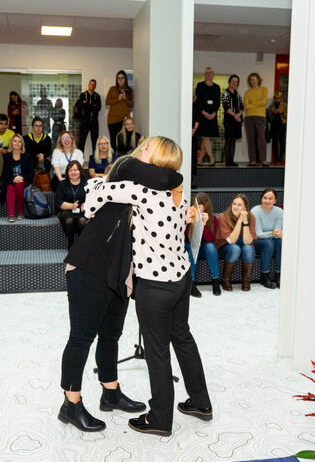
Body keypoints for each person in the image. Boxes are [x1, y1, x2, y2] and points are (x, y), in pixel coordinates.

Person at [84, 136, 211, 437]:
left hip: (155, 285)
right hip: (181, 278)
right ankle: (200, 402)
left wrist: (98, 182)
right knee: (183, 339)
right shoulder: (179, 189)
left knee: (157, 352)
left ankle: (160, 419)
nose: (141, 149)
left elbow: (91, 202)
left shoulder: (141, 191)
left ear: (157, 159)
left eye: (147, 147)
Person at [59, 153, 180, 433]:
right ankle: (70, 405)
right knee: (81, 338)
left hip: (119, 273)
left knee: (111, 335)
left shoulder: (142, 192)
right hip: (90, 267)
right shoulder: (126, 166)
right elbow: (169, 176)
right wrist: (163, 167)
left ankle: (110, 393)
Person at [215, 194, 256, 291]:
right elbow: (232, 241)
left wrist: (245, 221)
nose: (236, 207)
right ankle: (226, 279)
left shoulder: (251, 217)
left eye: (239, 205)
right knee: (235, 249)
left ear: (245, 207)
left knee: (249, 249)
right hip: (225, 246)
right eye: (234, 204)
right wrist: (239, 221)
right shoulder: (223, 217)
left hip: (242, 244)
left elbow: (247, 242)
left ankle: (246, 280)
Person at [186, 192, 221, 297]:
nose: (196, 209)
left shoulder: (213, 218)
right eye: (195, 207)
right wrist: (193, 223)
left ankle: (215, 280)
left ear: (205, 207)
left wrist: (204, 225)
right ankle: (191, 282)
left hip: (204, 245)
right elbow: (189, 239)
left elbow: (209, 240)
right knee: (193, 247)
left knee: (211, 247)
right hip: (190, 245)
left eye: (199, 207)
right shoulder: (188, 217)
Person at [251, 189, 283, 289]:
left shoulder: (279, 212)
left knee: (280, 241)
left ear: (275, 201)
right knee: (269, 243)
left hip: (272, 239)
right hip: (257, 241)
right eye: (265, 198)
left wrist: (278, 233)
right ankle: (264, 276)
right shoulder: (255, 211)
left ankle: (279, 274)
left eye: (270, 198)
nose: (267, 201)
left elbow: (277, 231)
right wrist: (273, 233)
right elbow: (258, 234)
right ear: (261, 199)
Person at [55, 160, 88, 249]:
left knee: (82, 221)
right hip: (66, 210)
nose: (73, 172)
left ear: (80, 171)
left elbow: (92, 198)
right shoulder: (62, 184)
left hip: (82, 210)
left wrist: (85, 205)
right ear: (67, 172)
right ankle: (71, 241)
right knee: (69, 220)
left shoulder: (87, 183)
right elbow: (59, 202)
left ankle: (81, 242)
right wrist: (72, 206)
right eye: (71, 170)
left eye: (76, 170)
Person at [2, 134, 34, 223]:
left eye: (19, 142)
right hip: (11, 181)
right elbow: (5, 174)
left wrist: (22, 178)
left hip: (24, 181)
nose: (17, 143)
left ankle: (20, 212)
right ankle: (11, 215)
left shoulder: (27, 156)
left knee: (19, 184)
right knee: (10, 188)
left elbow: (31, 173)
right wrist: (13, 180)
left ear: (22, 144)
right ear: (11, 143)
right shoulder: (7, 157)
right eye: (15, 141)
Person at [195, 67, 221, 166]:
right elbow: (197, 101)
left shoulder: (217, 87)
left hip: (212, 116)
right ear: (204, 74)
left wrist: (214, 113)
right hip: (202, 115)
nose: (209, 74)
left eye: (210, 72)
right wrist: (204, 113)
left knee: (206, 138)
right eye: (207, 72)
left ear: (213, 74)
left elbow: (218, 102)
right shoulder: (200, 85)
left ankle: (200, 160)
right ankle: (212, 159)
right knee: (206, 137)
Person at [244, 72, 268, 166]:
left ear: (258, 80)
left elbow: (263, 102)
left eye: (254, 79)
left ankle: (263, 160)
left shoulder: (264, 89)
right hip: (249, 117)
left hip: (260, 117)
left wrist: (252, 103)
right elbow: (246, 106)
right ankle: (253, 160)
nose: (253, 81)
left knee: (261, 138)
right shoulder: (247, 92)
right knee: (250, 139)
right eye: (251, 80)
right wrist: (258, 102)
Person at [105, 70, 133, 147]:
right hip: (112, 120)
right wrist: (118, 99)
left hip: (124, 120)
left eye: (122, 78)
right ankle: (114, 155)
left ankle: (123, 155)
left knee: (124, 141)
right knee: (114, 141)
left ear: (125, 79)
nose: (120, 80)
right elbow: (107, 102)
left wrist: (125, 98)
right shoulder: (112, 88)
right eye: (118, 78)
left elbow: (131, 104)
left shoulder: (130, 90)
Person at [221, 75, 243, 167]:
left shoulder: (238, 94)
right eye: (233, 81)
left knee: (233, 140)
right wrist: (235, 115)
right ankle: (228, 162)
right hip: (229, 119)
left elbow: (242, 106)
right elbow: (226, 107)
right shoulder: (225, 93)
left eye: (236, 81)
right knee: (228, 140)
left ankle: (232, 161)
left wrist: (239, 115)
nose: (234, 83)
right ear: (229, 82)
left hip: (237, 120)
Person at [75, 79, 101, 154]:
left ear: (95, 86)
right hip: (84, 121)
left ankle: (95, 158)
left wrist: (86, 104)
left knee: (95, 142)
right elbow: (80, 106)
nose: (92, 86)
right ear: (88, 85)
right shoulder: (83, 95)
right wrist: (92, 106)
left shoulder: (97, 96)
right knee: (81, 141)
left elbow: (98, 108)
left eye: (94, 85)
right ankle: (80, 158)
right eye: (91, 84)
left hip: (94, 121)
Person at [268, 90, 287, 165]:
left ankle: (280, 159)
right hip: (274, 125)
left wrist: (282, 112)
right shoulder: (271, 106)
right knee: (274, 142)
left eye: (278, 98)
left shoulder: (285, 105)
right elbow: (269, 116)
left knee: (282, 141)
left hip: (282, 124)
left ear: (281, 98)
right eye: (275, 98)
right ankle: (275, 158)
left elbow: (288, 115)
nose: (277, 99)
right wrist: (273, 112)